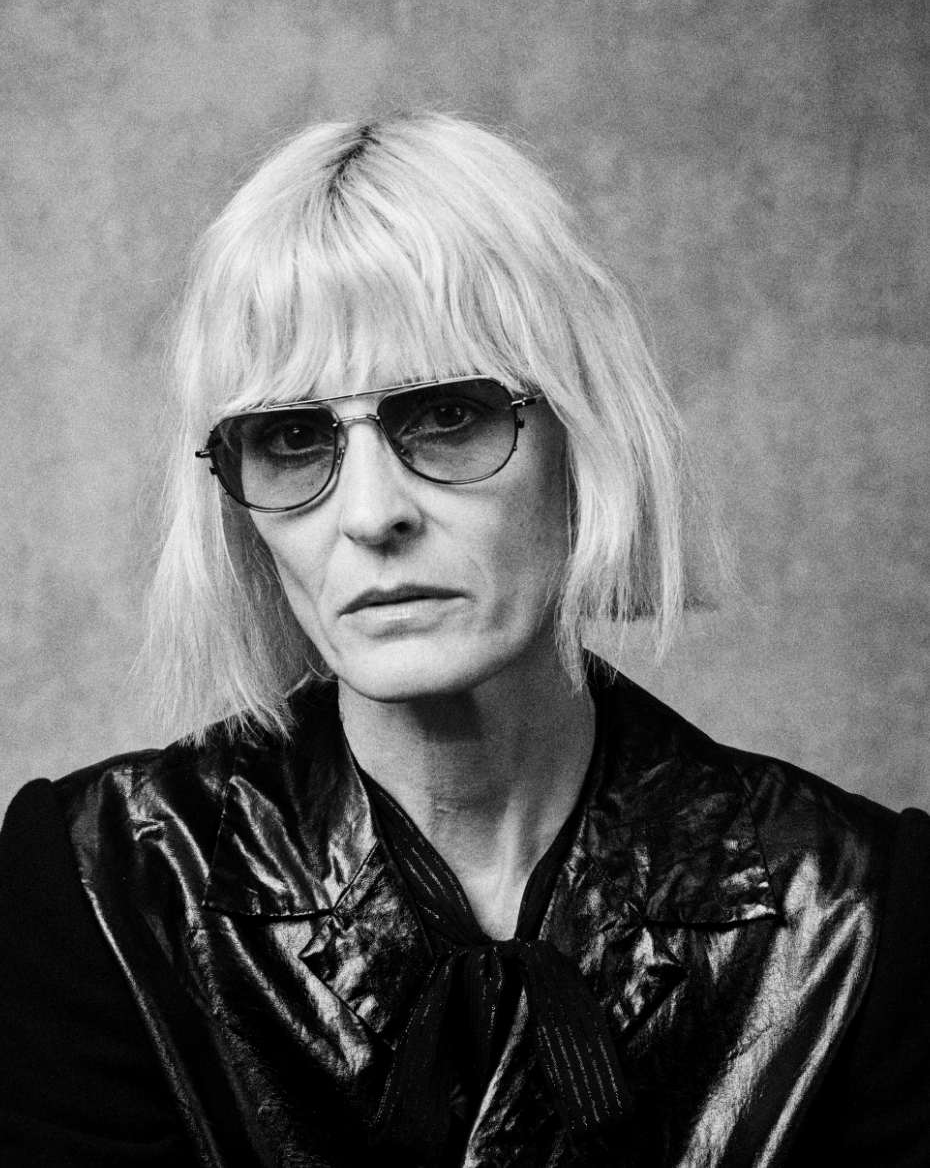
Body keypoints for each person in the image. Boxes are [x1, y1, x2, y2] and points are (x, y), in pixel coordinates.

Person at [0, 111, 927, 1168]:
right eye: (292, 437)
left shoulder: (857, 917)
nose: (371, 514)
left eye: (447, 414)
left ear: (585, 441)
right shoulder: (104, 890)